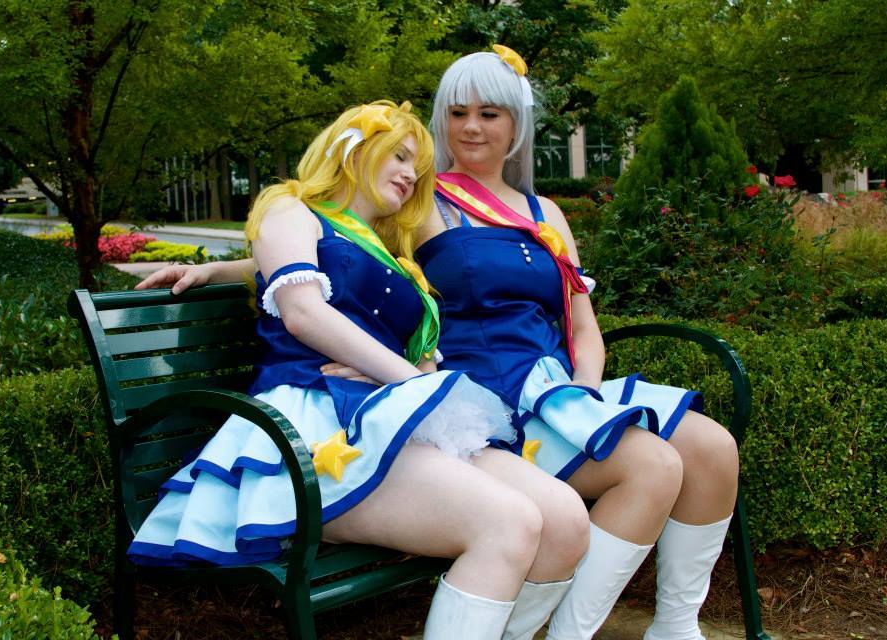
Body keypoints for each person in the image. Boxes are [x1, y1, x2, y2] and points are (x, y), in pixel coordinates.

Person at [138, 48, 739, 640]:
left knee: (707, 451)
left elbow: (582, 325)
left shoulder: (538, 211)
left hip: (534, 390)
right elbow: (322, 250)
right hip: (467, 393)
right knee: (635, 473)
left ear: (517, 126)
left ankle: (672, 627)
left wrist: (585, 395)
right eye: (457, 113)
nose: (471, 126)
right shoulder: (416, 202)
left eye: (489, 113)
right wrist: (219, 270)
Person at [127, 100, 589, 640]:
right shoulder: (292, 208)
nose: (409, 176)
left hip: (389, 414)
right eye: (398, 156)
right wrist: (410, 379)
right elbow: (302, 311)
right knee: (508, 523)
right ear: (353, 149)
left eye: (417, 168)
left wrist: (408, 372)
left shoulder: (391, 252)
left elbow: (305, 271)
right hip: (319, 427)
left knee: (565, 521)